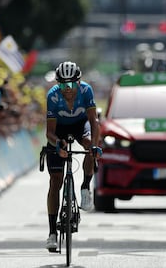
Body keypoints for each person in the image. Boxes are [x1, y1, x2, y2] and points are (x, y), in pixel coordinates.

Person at [45, 61, 102, 251]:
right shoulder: (53, 96)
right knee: (55, 181)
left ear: (78, 82)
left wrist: (94, 146)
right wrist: (58, 145)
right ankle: (52, 232)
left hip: (80, 125)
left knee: (89, 144)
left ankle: (85, 187)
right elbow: (49, 133)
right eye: (62, 85)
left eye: (71, 85)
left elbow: (94, 122)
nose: (67, 89)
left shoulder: (86, 91)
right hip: (59, 129)